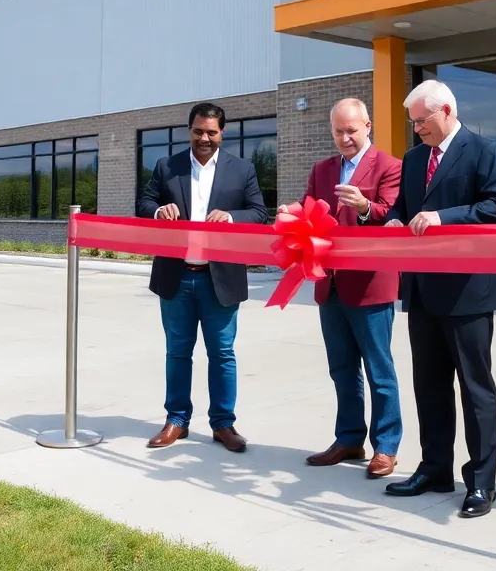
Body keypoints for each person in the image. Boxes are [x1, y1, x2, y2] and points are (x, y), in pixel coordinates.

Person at [383, 80, 496, 519]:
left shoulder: (482, 151)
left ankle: (481, 483)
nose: (417, 129)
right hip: (422, 289)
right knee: (429, 387)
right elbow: (404, 207)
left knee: (475, 390)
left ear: (446, 111)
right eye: (413, 123)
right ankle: (435, 469)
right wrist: (393, 220)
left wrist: (443, 217)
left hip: (468, 292)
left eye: (422, 121)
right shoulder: (414, 158)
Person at [137, 102, 270, 453]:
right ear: (189, 131)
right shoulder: (167, 166)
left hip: (220, 279)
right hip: (176, 276)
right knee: (177, 352)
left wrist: (231, 217)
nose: (204, 138)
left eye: (211, 132)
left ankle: (223, 424)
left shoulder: (242, 169)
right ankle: (176, 420)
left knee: (222, 354)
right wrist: (158, 210)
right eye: (198, 131)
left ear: (222, 133)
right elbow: (143, 203)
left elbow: (259, 212)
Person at [281, 98, 403, 478]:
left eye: (351, 130)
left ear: (368, 126)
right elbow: (309, 210)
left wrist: (365, 207)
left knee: (379, 370)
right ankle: (349, 438)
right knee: (342, 368)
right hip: (329, 284)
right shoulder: (322, 169)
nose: (345, 137)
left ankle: (386, 446)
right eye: (338, 131)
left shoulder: (389, 166)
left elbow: (392, 214)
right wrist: (291, 213)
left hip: (370, 285)